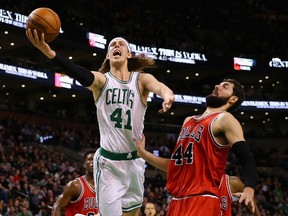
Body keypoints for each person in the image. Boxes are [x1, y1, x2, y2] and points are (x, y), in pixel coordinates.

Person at [26, 30, 174, 216]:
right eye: (112, 45)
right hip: (109, 164)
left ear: (129, 54)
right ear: (108, 55)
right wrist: (51, 54)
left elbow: (159, 87)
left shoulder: (141, 79)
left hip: (135, 161)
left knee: (132, 213)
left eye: (121, 44)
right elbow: (79, 73)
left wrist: (167, 95)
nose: (116, 46)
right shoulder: (102, 81)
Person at [133, 78, 257, 215]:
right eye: (218, 84)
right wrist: (143, 153)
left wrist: (249, 188)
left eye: (225, 87)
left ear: (233, 99)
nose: (217, 86)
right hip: (176, 202)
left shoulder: (225, 119)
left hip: (202, 199)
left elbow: (247, 159)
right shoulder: (188, 121)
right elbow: (175, 167)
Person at [51, 150, 98, 216]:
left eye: (96, 159)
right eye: (90, 159)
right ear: (84, 164)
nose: (93, 162)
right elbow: (57, 207)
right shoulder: (75, 185)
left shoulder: (104, 187)